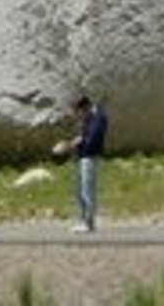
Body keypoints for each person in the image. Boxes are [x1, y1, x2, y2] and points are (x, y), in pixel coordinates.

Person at [64, 95, 108, 233]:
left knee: (88, 190)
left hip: (90, 157)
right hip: (82, 157)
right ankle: (83, 220)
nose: (79, 115)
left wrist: (79, 142)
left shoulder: (98, 118)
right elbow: (84, 136)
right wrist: (73, 144)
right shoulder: (90, 118)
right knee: (80, 191)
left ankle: (89, 223)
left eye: (80, 112)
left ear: (86, 107)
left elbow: (92, 138)